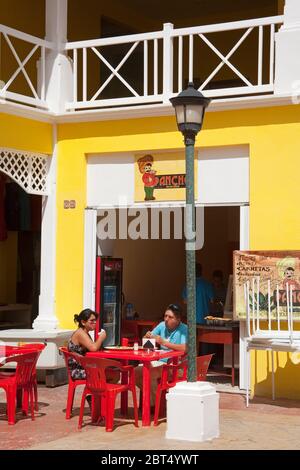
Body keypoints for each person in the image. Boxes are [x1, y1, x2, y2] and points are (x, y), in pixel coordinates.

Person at [135, 303, 187, 407]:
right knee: (135, 372)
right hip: (159, 362)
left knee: (149, 374)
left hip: (177, 366)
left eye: (170, 317)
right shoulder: (162, 325)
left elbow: (185, 348)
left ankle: (155, 406)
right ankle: (157, 402)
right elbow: (148, 343)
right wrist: (147, 337)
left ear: (178, 320)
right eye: (165, 316)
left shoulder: (184, 329)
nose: (166, 319)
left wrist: (164, 343)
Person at [68, 308, 107, 380]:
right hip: (77, 371)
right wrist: (101, 337)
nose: (95, 322)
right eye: (92, 321)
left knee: (111, 372)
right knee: (112, 374)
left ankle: (100, 390)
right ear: (83, 322)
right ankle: (100, 390)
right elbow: (93, 348)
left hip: (84, 367)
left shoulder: (85, 333)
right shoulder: (80, 333)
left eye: (95, 320)